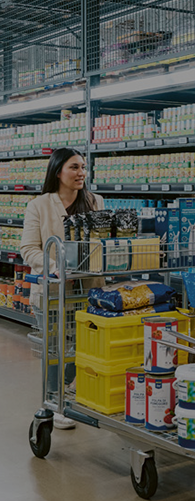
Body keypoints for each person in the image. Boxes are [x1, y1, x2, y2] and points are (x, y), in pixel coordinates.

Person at [21, 148, 104, 430]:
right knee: (56, 348)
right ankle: (53, 402)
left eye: (83, 167)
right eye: (74, 167)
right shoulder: (39, 205)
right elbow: (28, 248)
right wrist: (53, 265)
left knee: (83, 346)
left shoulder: (95, 201)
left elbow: (102, 243)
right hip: (53, 291)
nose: (81, 173)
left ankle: (65, 391)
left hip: (89, 290)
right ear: (58, 172)